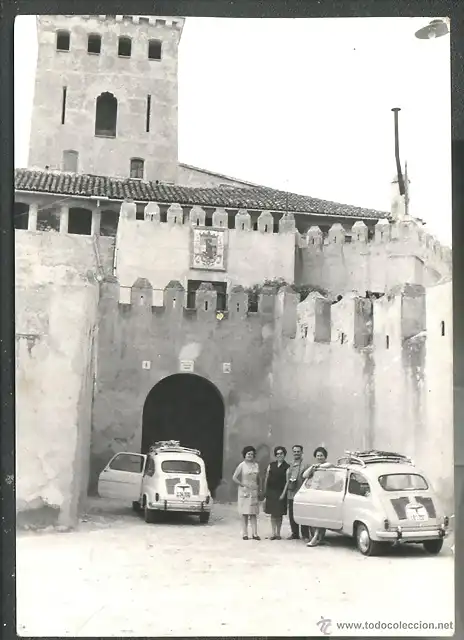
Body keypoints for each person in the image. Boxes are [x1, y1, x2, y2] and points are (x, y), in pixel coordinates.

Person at [303, 446, 330, 547]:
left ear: (325, 456)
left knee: (320, 517)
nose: (319, 457)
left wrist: (317, 466)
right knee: (314, 516)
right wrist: (312, 467)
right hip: (314, 494)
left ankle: (315, 538)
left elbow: (328, 465)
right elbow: (304, 475)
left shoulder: (328, 465)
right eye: (318, 456)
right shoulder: (314, 467)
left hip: (323, 494)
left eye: (321, 455)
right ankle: (318, 538)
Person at [232, 445, 261, 540]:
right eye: (248, 454)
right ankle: (245, 534)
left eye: (252, 454)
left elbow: (258, 478)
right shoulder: (242, 465)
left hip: (253, 491)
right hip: (244, 492)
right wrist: (242, 484)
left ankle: (255, 534)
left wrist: (259, 488)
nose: (250, 456)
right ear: (245, 455)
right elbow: (234, 477)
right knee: (244, 513)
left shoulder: (256, 465)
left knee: (253, 513)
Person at [282, 444, 311, 541]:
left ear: (302, 452)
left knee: (303, 514)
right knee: (292, 514)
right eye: (294, 451)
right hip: (292, 493)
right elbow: (287, 479)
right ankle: (295, 533)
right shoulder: (290, 465)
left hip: (302, 493)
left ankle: (305, 535)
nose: (296, 453)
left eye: (298, 451)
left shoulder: (306, 465)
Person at [263, 446, 290, 540]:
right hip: (271, 491)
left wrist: (283, 494)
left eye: (281, 453)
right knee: (272, 514)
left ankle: (278, 533)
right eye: (277, 454)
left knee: (279, 514)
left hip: (280, 492)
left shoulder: (287, 466)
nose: (279, 455)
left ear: (284, 454)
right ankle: (273, 533)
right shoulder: (271, 465)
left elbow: (287, 481)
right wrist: (265, 491)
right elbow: (266, 478)